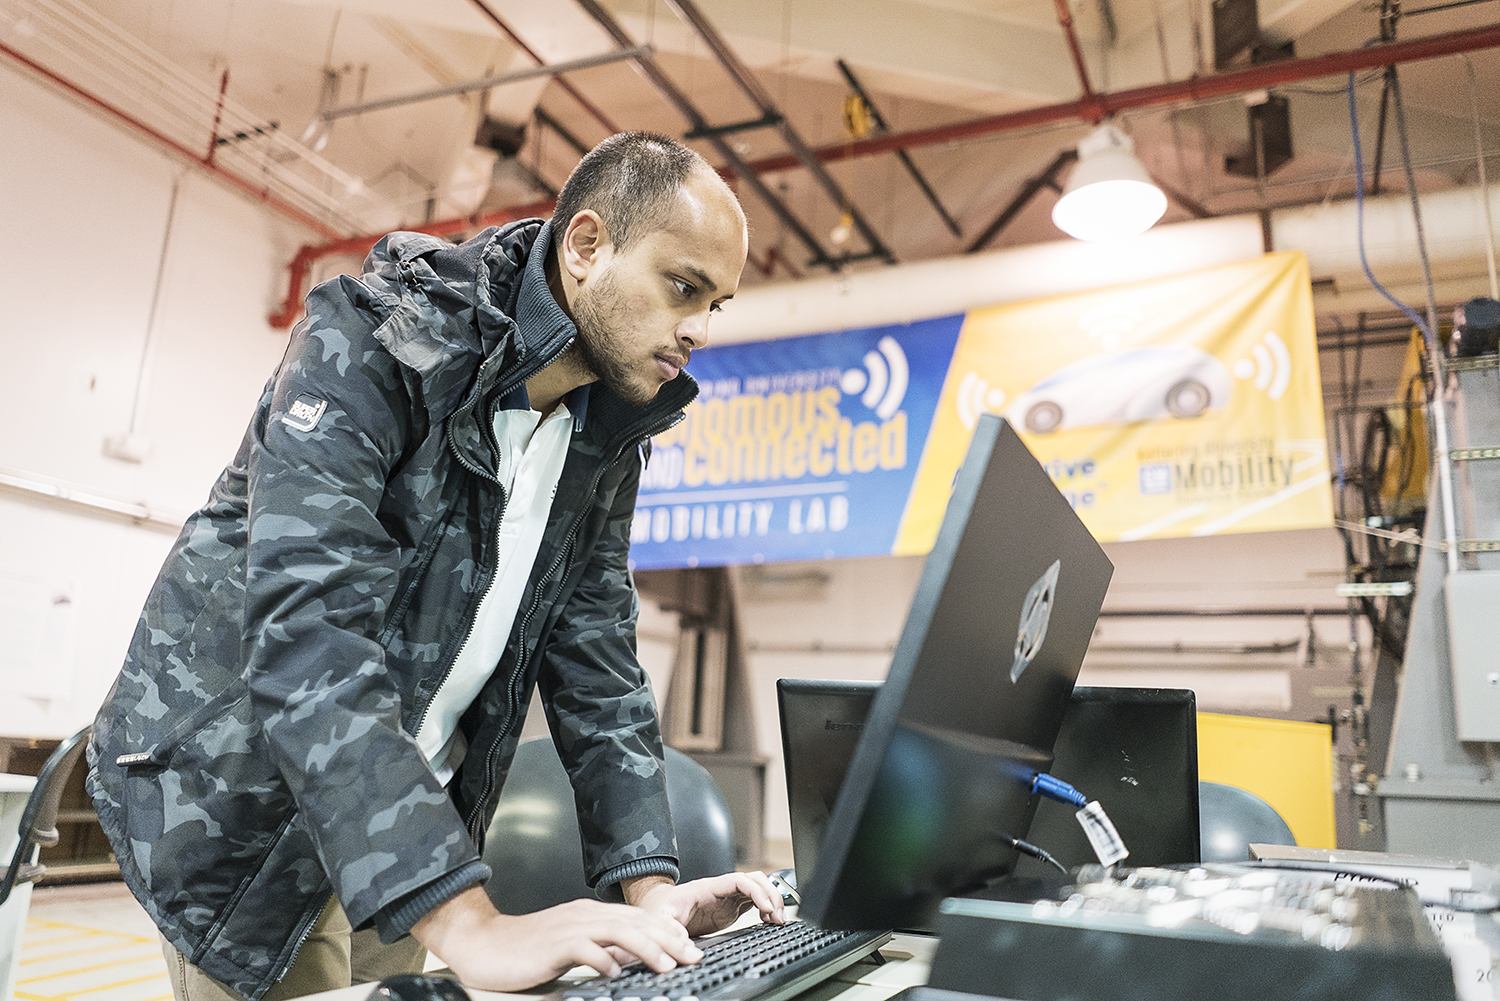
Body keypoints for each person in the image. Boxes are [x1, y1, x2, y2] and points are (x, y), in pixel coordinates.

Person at [86, 132, 783, 1001]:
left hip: (410, 823)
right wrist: (469, 924)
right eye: (683, 286)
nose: (696, 329)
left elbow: (599, 662)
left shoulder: (603, 436)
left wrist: (652, 887)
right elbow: (311, 638)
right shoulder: (376, 340)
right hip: (251, 818)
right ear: (587, 246)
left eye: (714, 303)